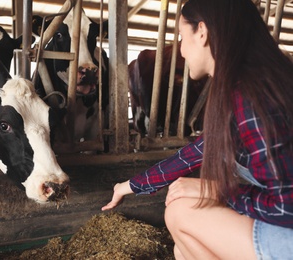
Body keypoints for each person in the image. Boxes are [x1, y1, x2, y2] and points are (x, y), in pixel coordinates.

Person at [102, 0, 293, 259]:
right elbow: (196, 152)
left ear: (202, 32)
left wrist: (217, 190)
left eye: (181, 37)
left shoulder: (251, 95)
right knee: (182, 250)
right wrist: (129, 186)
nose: (180, 51)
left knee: (180, 212)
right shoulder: (257, 81)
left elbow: (286, 206)